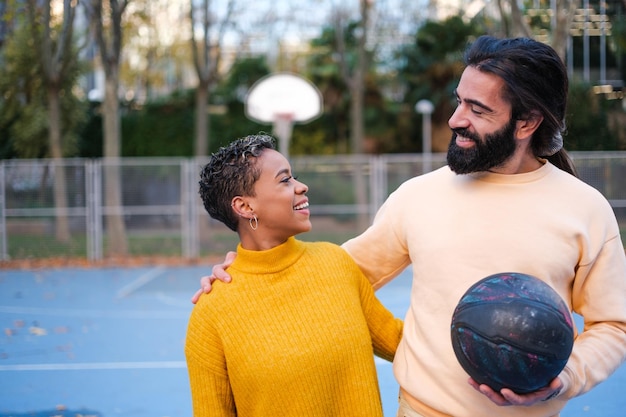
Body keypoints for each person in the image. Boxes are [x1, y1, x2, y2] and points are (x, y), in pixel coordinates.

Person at [193, 36, 626, 417]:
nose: (456, 118)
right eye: (459, 101)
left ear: (527, 122)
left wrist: (567, 375)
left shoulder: (584, 208)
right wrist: (246, 275)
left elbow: (613, 325)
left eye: (478, 109)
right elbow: (331, 278)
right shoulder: (418, 196)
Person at [185, 134, 403, 417]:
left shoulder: (336, 262)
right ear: (245, 207)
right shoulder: (211, 313)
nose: (302, 186)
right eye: (284, 180)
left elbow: (402, 343)